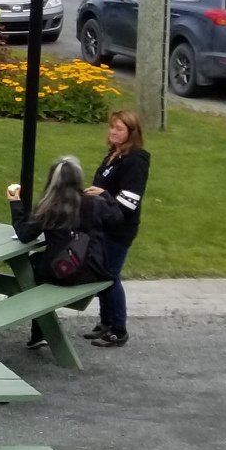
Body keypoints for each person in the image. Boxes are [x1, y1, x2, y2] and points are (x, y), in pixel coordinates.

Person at [85, 109, 150, 349]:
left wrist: (103, 195)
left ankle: (119, 329)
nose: (113, 132)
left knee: (110, 276)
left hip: (119, 228)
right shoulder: (114, 154)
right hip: (103, 224)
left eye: (119, 129)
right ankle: (106, 322)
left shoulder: (136, 161)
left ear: (131, 133)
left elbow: (130, 201)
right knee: (102, 274)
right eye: (112, 127)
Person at [8, 156, 109, 294]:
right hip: (92, 271)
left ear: (52, 181)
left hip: (61, 273)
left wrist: (15, 202)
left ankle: (32, 308)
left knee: (29, 265)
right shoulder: (95, 203)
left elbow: (25, 235)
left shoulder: (49, 207)